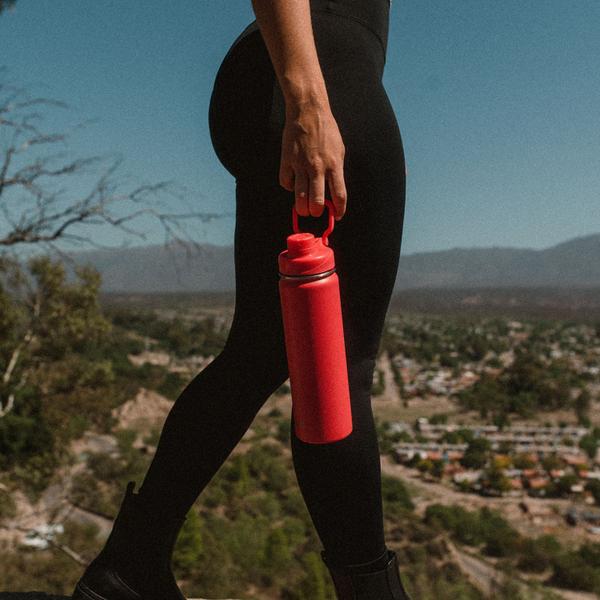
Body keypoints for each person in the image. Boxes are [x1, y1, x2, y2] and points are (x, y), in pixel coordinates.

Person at [71, 1, 410, 599]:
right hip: (316, 77)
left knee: (260, 352)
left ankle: (130, 565)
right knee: (341, 364)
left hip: (276, 78)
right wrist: (308, 105)